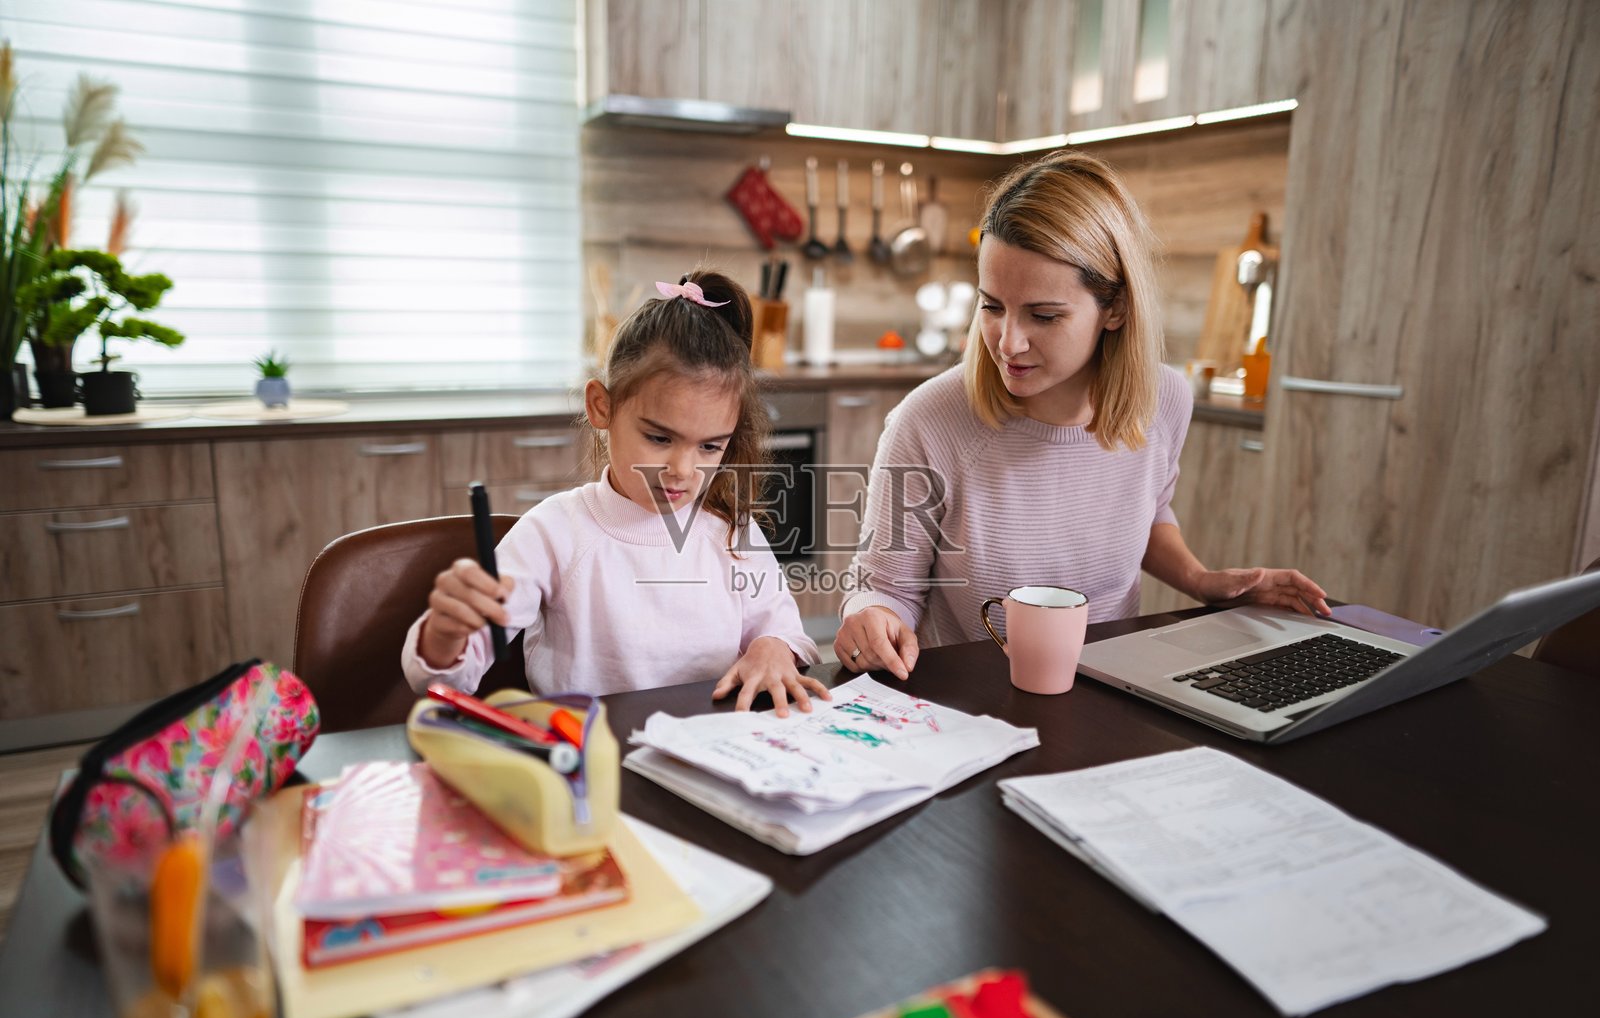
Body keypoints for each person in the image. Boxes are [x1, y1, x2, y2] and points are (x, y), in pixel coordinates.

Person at [833, 151, 1328, 679]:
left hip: (1116, 690)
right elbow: (885, 587)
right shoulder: (929, 421)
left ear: (1114, 309)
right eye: (992, 306)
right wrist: (871, 616)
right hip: (973, 708)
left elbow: (1148, 509)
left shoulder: (1164, 400)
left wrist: (1200, 580)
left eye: (1044, 315)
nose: (1008, 342)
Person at [403, 269, 828, 715]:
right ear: (601, 407)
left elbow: (784, 629)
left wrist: (772, 648)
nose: (683, 470)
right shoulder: (554, 532)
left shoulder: (731, 532)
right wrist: (445, 634)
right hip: (592, 759)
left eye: (709, 446)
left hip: (712, 755)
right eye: (660, 438)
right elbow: (440, 682)